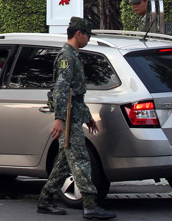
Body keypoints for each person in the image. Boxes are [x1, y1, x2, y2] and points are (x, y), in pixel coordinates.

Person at [37, 17, 116, 220]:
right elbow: (62, 89)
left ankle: (45, 199)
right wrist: (60, 118)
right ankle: (90, 204)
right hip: (69, 116)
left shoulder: (73, 55)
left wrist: (87, 117)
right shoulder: (67, 56)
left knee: (64, 162)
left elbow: (77, 94)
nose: (89, 38)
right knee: (81, 159)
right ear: (78, 34)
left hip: (74, 113)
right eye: (87, 34)